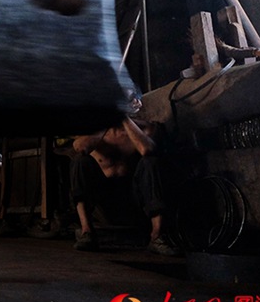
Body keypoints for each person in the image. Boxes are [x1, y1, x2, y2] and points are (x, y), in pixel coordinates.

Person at [70, 93, 179, 256]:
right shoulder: (97, 130)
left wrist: (124, 119)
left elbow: (146, 149)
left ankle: (157, 235)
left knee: (151, 161)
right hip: (103, 202)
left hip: (135, 200)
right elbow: (80, 147)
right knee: (80, 161)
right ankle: (87, 232)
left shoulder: (147, 127)